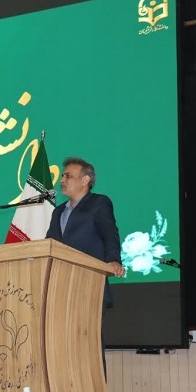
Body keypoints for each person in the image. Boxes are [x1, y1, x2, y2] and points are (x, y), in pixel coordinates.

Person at [45, 157, 124, 379]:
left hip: (88, 284)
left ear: (85, 180)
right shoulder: (58, 212)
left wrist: (113, 259)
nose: (62, 180)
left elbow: (110, 233)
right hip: (61, 287)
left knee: (89, 346)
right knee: (64, 346)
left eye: (68, 176)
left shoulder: (99, 203)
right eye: (63, 176)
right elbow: (50, 244)